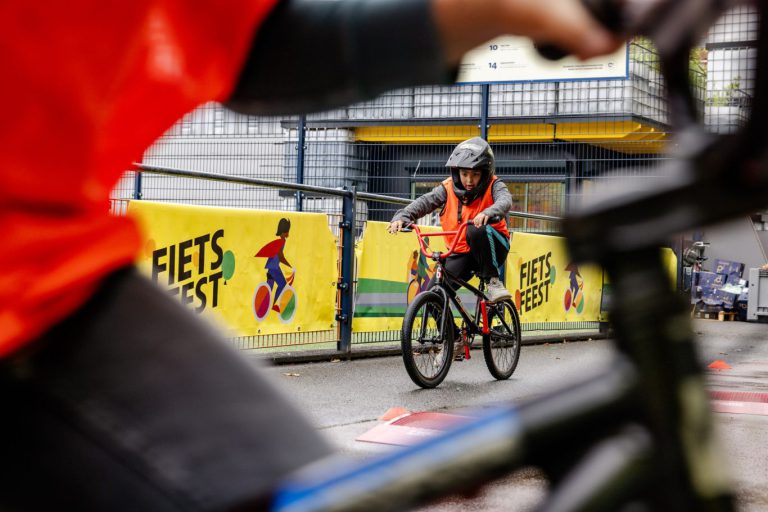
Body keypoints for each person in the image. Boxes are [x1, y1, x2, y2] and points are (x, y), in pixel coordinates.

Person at [0, 0, 619, 510]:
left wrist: (502, 12)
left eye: (465, 175)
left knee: (479, 263)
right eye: (454, 175)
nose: (457, 181)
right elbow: (265, 48)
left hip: (488, 247)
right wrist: (404, 217)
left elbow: (252, 40)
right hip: (28, 287)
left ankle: (492, 309)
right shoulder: (444, 187)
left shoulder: (497, 190)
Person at [388, 137, 514, 303]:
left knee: (475, 228)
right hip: (461, 253)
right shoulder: (447, 188)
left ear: (485, 174)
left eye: (475, 174)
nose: (469, 180)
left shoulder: (494, 185)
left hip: (492, 247)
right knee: (432, 297)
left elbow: (505, 200)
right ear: (456, 172)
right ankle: (450, 330)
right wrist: (403, 216)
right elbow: (425, 202)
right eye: (464, 174)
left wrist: (489, 212)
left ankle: (493, 281)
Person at [255, 218, 294, 312]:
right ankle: (273, 305)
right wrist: (289, 265)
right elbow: (280, 257)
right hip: (274, 267)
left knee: (269, 287)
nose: (288, 233)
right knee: (282, 284)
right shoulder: (281, 241)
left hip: (271, 267)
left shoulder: (281, 240)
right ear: (284, 231)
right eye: (287, 231)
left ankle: (263, 306)